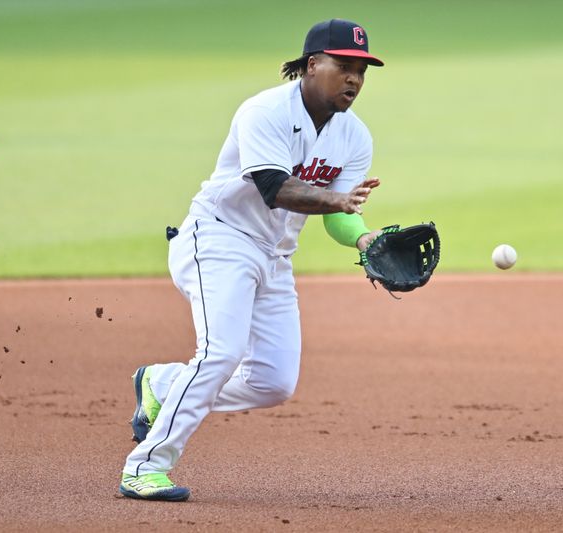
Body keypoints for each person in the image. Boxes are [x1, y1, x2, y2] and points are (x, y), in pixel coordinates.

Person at [119, 18, 385, 502]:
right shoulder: (264, 111)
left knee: (273, 382)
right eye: (344, 66)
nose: (354, 79)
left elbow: (338, 217)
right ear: (312, 64)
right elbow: (274, 188)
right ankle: (145, 467)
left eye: (362, 71)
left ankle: (163, 382)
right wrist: (337, 200)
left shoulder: (355, 137)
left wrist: (364, 239)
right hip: (219, 241)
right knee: (221, 353)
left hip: (275, 257)